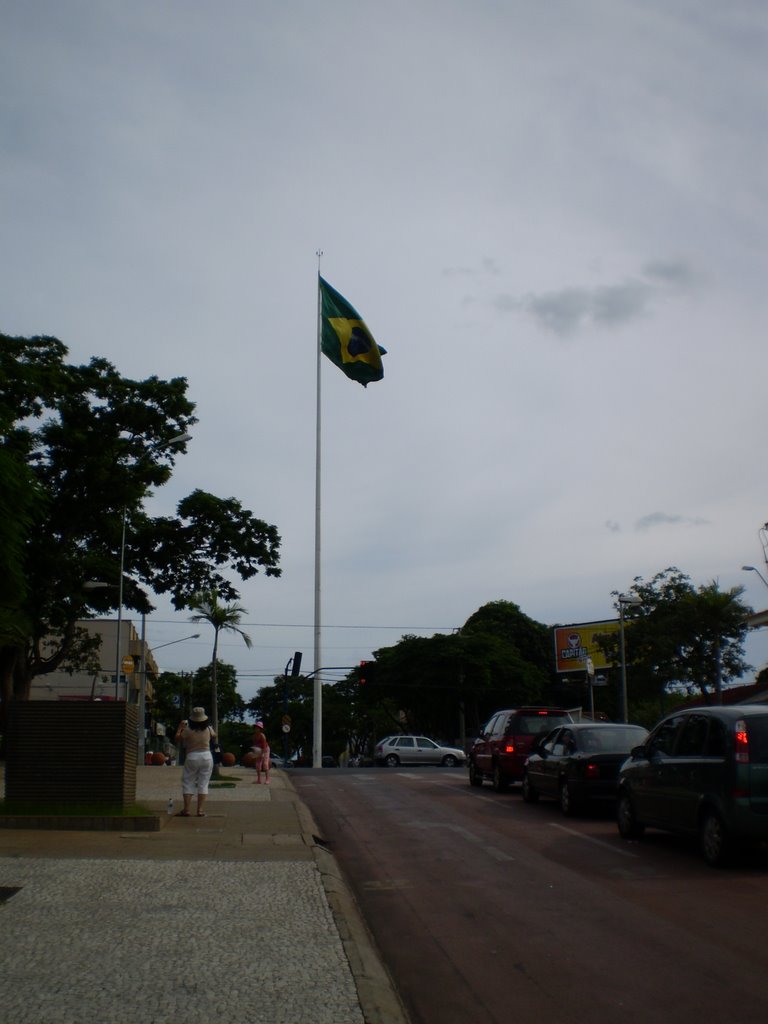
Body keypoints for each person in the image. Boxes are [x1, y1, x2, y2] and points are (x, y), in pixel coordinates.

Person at [174, 707, 216, 816]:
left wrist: (180, 729)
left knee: (188, 782)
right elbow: (215, 736)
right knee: (203, 783)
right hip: (207, 756)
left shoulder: (188, 730)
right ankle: (200, 810)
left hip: (192, 756)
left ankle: (187, 810)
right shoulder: (208, 728)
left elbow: (178, 739)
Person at [252, 720, 271, 784]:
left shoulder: (262, 735)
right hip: (258, 750)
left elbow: (264, 746)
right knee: (257, 765)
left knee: (265, 764)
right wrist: (255, 752)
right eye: (256, 727)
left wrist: (262, 753)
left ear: (260, 729)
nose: (256, 729)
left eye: (258, 728)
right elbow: (254, 745)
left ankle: (267, 779)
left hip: (265, 750)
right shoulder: (254, 736)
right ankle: (259, 779)